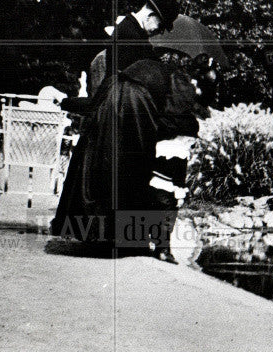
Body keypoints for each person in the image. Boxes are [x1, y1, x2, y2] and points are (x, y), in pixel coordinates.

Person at [51, 57, 195, 260]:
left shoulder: (126, 74)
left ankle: (103, 235)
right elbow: (176, 118)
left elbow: (93, 104)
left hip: (111, 104)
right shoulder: (178, 79)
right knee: (142, 177)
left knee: (107, 169)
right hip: (136, 108)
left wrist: (66, 102)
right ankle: (150, 243)